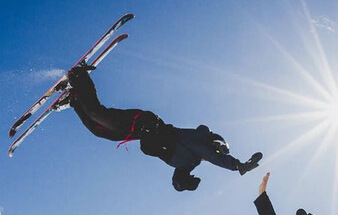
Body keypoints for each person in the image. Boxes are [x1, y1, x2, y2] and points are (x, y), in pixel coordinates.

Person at [63, 65, 262, 192]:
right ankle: (79, 75)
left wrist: (184, 184)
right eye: (216, 151)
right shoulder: (198, 139)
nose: (207, 157)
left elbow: (178, 177)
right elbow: (212, 155)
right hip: (144, 122)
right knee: (99, 115)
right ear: (214, 145)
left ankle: (74, 99)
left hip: (138, 133)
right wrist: (238, 166)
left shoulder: (191, 161)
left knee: (99, 131)